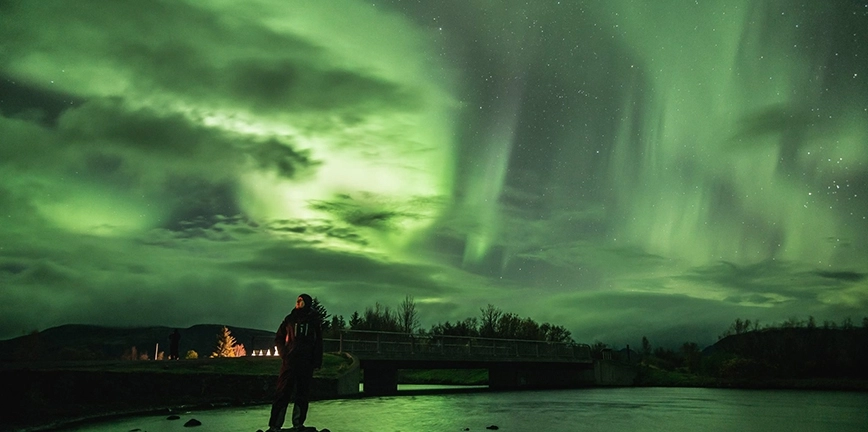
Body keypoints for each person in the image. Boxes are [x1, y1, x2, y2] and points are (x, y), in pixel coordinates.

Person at [267, 293, 323, 432]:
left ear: (307, 303)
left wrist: (316, 361)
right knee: (282, 392)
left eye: (301, 301)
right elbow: (279, 338)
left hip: (306, 363)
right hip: (290, 362)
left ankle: (298, 423)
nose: (298, 302)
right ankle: (275, 425)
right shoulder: (289, 319)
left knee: (302, 394)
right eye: (297, 300)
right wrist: (284, 354)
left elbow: (318, 343)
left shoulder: (313, 321)